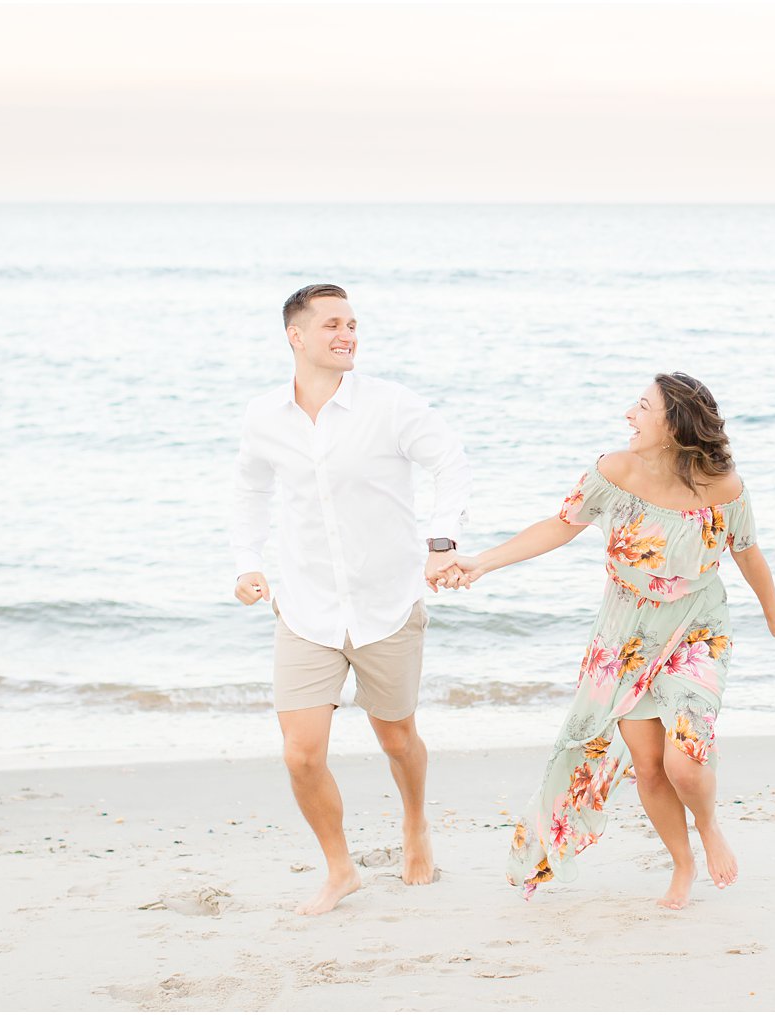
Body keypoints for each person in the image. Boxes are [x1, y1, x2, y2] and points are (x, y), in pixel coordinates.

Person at [455, 372, 775, 909]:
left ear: (674, 425)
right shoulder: (612, 471)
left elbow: (747, 551)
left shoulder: (724, 484)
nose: (628, 414)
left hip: (696, 628)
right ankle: (682, 864)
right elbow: (558, 526)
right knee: (647, 764)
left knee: (684, 761)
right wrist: (481, 563)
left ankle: (708, 827)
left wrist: (774, 614)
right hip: (626, 636)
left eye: (642, 407)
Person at [230, 283, 470, 916]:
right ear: (296, 336)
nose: (348, 334)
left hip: (386, 603)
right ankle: (340, 869)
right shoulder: (264, 417)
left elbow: (449, 460)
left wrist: (442, 542)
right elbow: (250, 491)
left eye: (354, 324)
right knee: (301, 752)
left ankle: (415, 824)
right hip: (306, 608)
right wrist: (246, 564)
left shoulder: (390, 406)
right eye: (334, 324)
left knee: (396, 739)